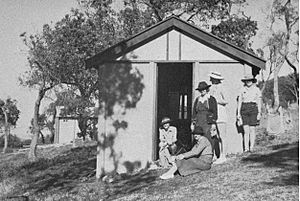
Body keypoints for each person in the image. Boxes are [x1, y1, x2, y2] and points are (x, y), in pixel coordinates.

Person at [237, 74, 262, 152]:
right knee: (246, 130)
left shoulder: (256, 89)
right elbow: (240, 102)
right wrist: (238, 113)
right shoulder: (242, 89)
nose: (248, 82)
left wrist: (259, 112)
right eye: (246, 80)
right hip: (244, 108)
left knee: (252, 129)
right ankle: (246, 148)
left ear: (252, 81)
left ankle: (251, 147)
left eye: (250, 80)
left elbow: (259, 101)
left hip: (253, 108)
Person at [190, 81, 218, 152]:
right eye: (201, 89)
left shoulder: (211, 99)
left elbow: (214, 111)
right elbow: (194, 112)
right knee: (199, 137)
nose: (202, 91)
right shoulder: (197, 99)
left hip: (208, 121)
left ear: (207, 89)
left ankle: (211, 154)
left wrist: (213, 123)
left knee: (209, 137)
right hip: (199, 121)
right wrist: (193, 123)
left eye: (204, 89)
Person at [208, 72, 228, 164]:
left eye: (213, 78)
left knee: (222, 135)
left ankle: (223, 155)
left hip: (221, 113)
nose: (211, 80)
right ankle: (216, 155)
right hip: (213, 114)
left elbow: (226, 100)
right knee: (214, 135)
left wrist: (217, 101)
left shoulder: (222, 87)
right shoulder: (211, 88)